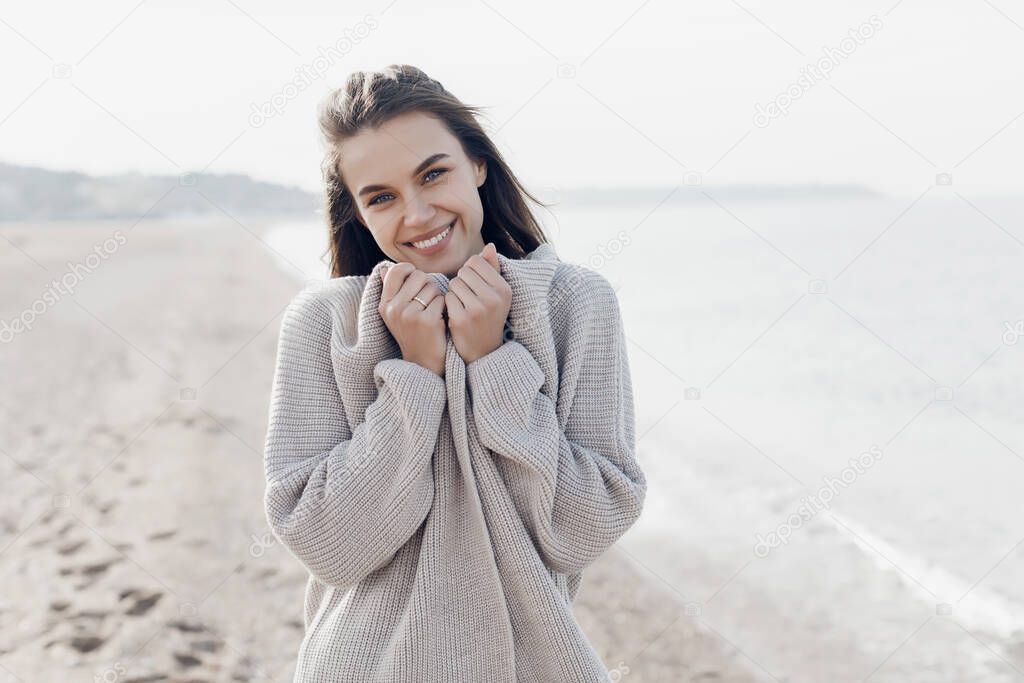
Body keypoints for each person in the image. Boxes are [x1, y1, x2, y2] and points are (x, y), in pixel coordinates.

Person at [262, 64, 647, 682]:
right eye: (381, 197)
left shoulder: (575, 304)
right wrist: (415, 375)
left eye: (433, 173)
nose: (415, 214)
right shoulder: (325, 323)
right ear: (360, 214)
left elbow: (583, 528)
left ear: (478, 166)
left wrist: (494, 362)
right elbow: (329, 546)